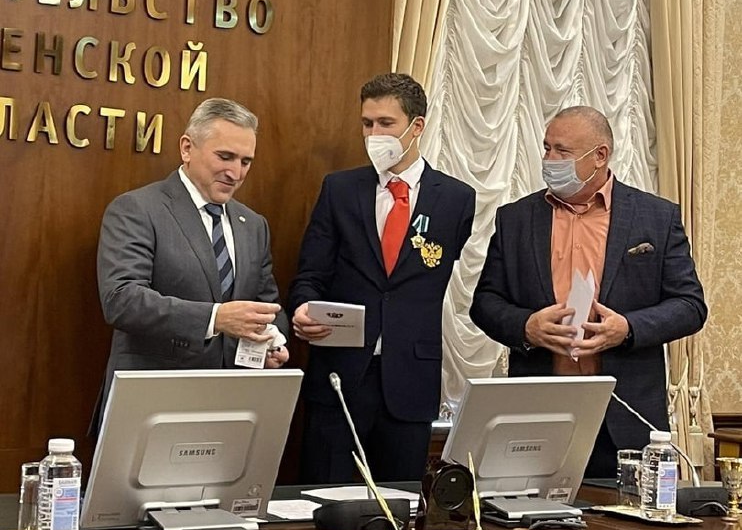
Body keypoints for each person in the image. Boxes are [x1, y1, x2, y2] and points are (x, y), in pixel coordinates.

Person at [470, 106, 707, 478]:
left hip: (625, 417)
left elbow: (690, 305)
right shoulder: (515, 218)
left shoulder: (656, 217)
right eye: (547, 148)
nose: (550, 160)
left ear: (600, 156)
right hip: (537, 413)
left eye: (562, 151)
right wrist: (526, 326)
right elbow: (485, 303)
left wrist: (627, 328)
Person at [288, 73, 476, 483]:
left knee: (401, 503)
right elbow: (310, 274)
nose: (373, 134)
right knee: (326, 499)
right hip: (340, 376)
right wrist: (302, 308)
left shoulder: (456, 199)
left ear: (416, 126)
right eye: (367, 123)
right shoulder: (340, 190)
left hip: (410, 379)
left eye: (386, 124)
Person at [95, 98, 289, 420]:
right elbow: (122, 300)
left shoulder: (253, 224)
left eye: (246, 161)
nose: (235, 172)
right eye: (225, 157)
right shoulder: (138, 209)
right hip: (153, 400)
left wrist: (272, 343)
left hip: (231, 405)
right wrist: (215, 318)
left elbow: (267, 306)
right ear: (187, 148)